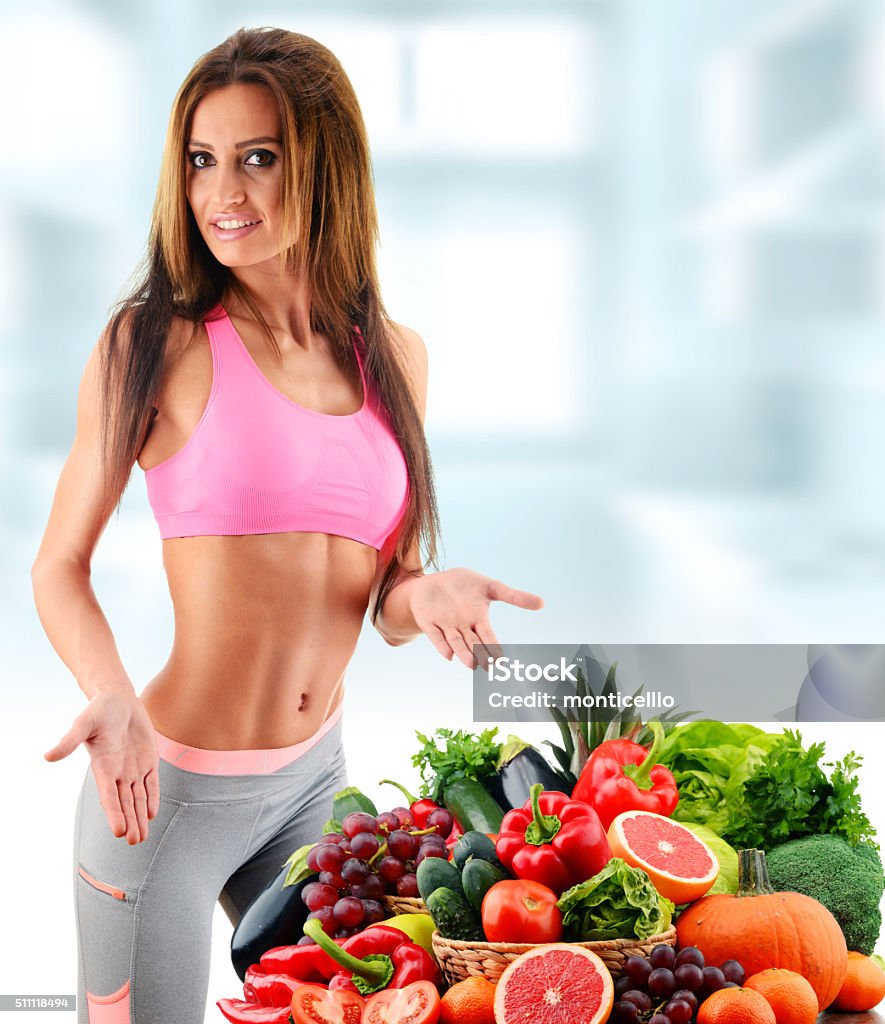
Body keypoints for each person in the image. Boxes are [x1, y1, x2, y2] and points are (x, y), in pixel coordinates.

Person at [30, 26, 543, 1024]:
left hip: (314, 790)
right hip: (161, 795)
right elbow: (59, 563)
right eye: (202, 161)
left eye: (259, 158)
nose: (226, 191)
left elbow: (381, 592)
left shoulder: (397, 357)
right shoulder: (156, 342)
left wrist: (420, 591)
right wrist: (110, 693)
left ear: (326, 167)